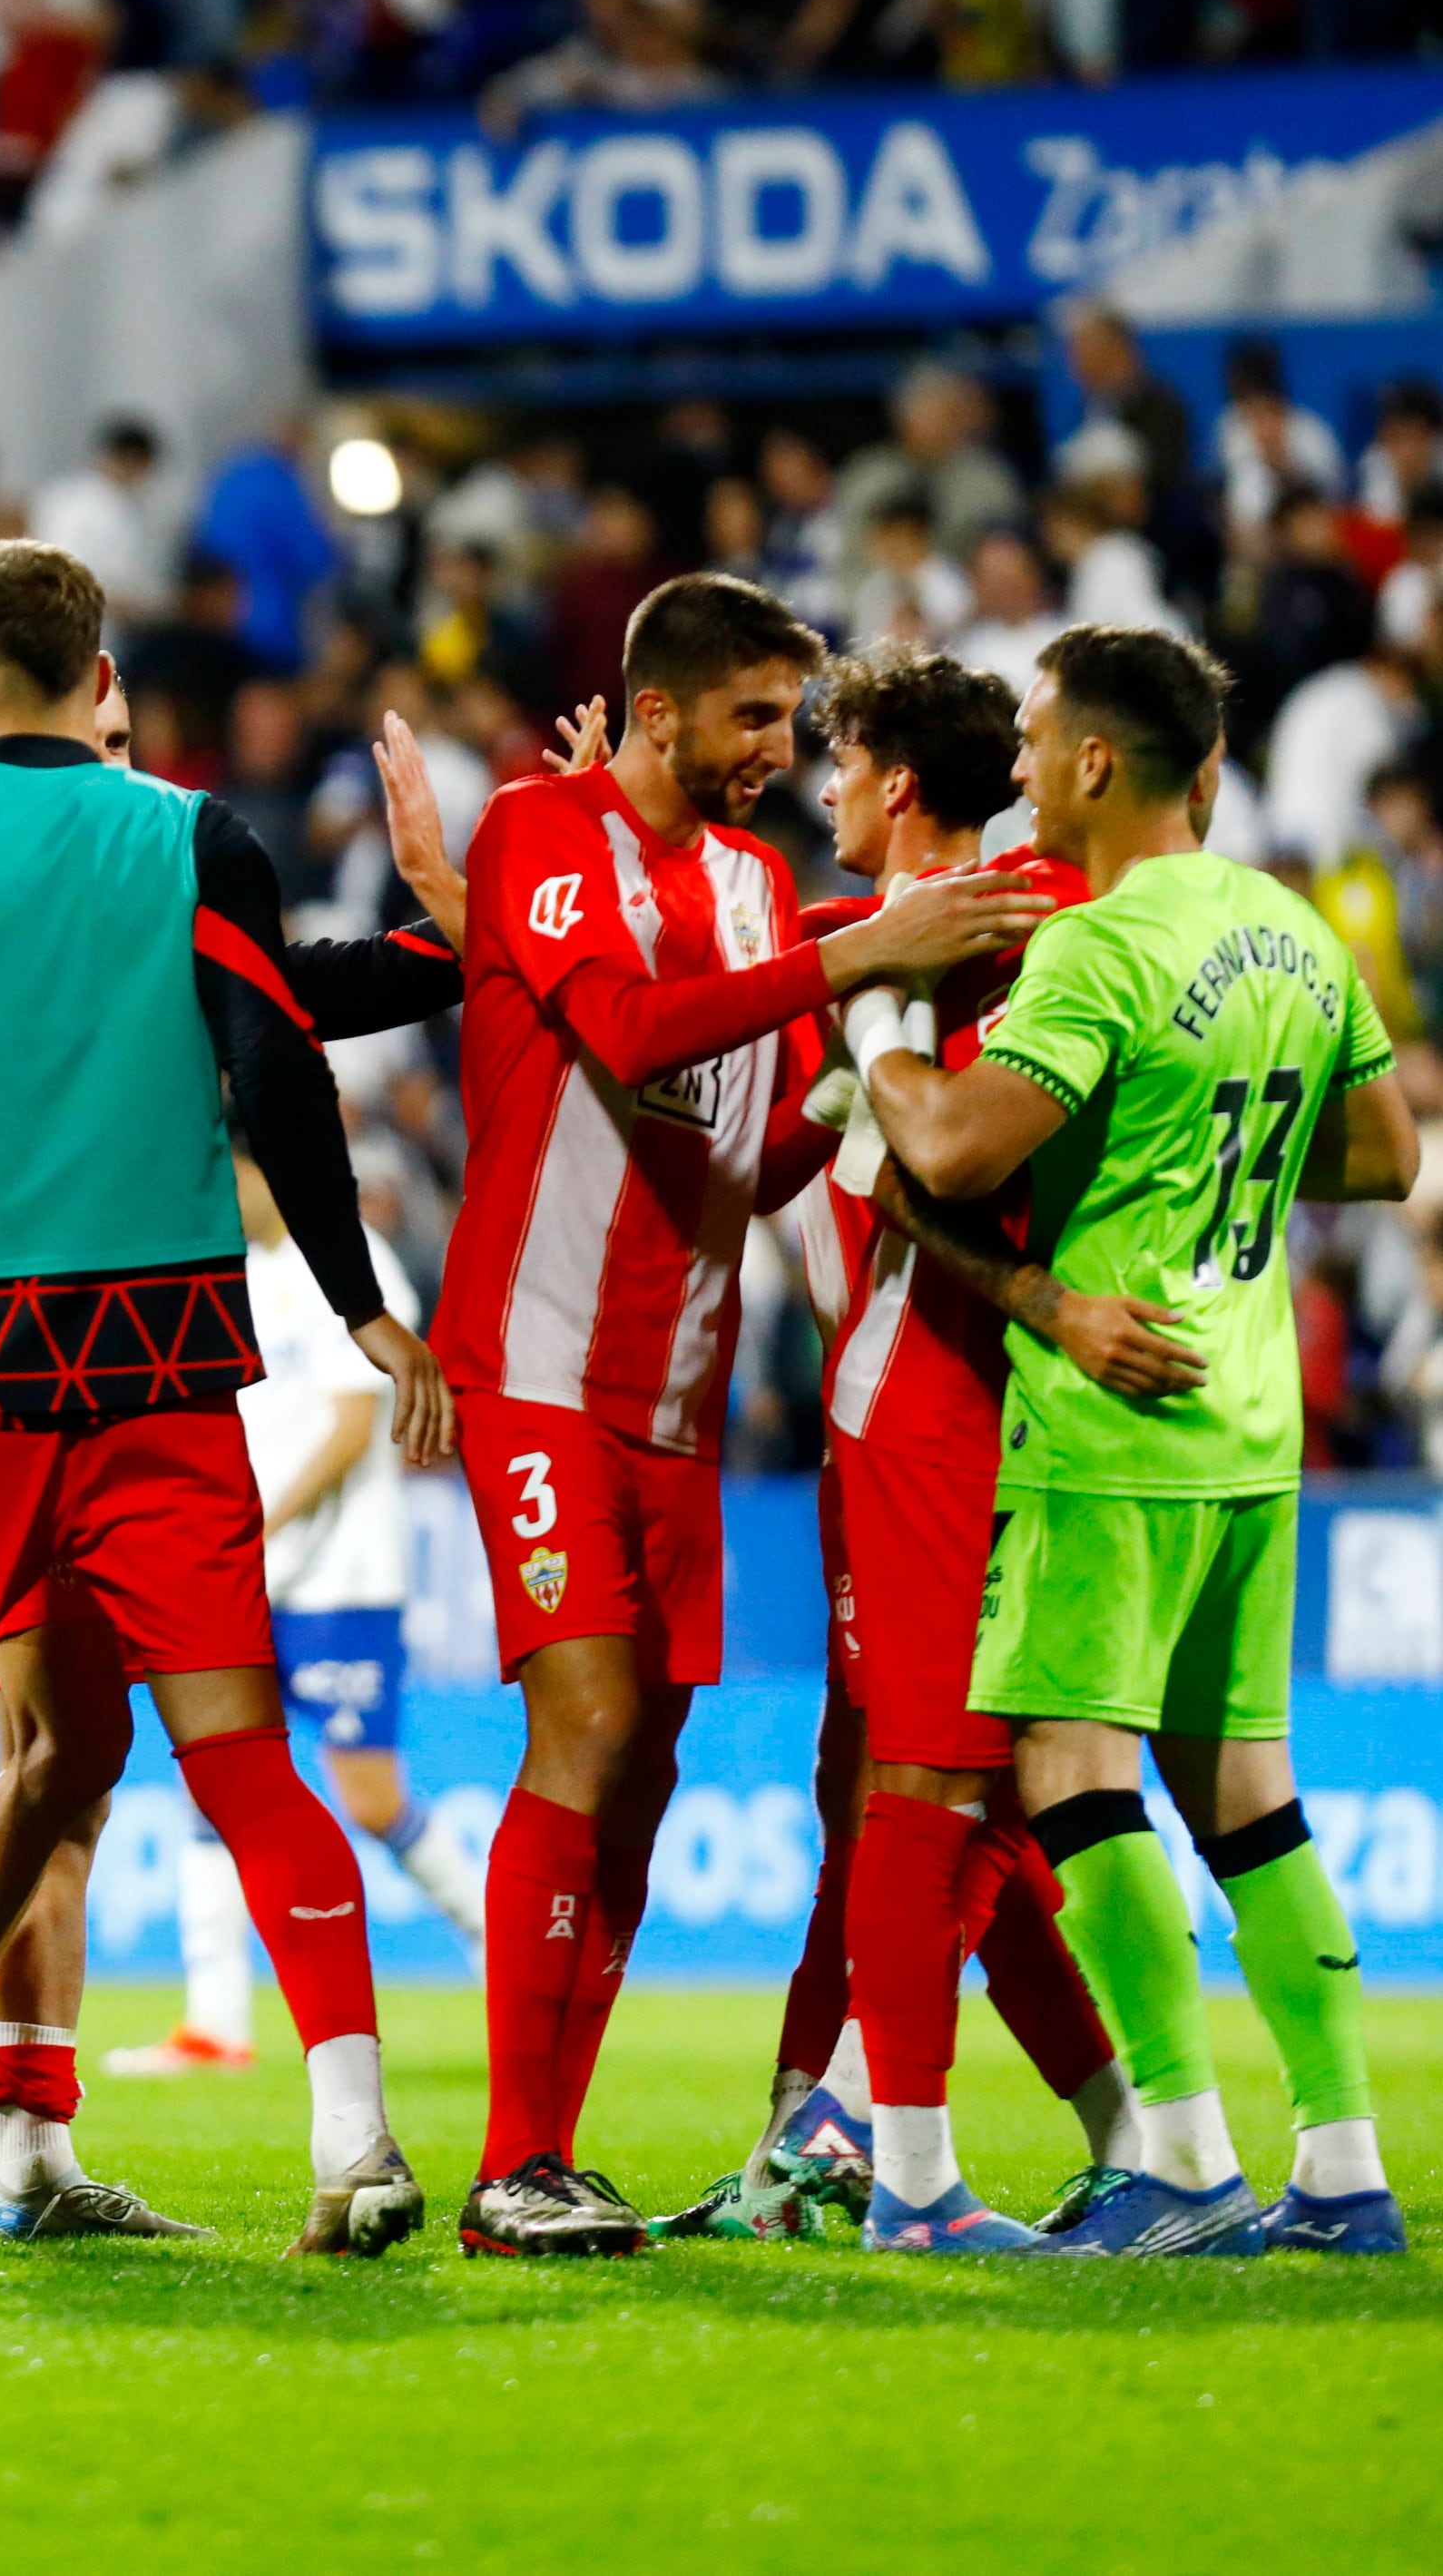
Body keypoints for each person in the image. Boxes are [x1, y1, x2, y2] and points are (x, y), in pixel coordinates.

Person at [0, 540, 449, 2265]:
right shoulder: (191, 836)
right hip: (155, 1363)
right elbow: (277, 1045)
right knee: (239, 1760)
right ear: (99, 668)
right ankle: (351, 2143)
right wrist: (360, 1303)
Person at [433, 575, 1046, 2254]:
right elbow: (624, 1024)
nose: (782, 751)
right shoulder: (540, 828)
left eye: (795, 721)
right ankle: (508, 2162)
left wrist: (865, 1101)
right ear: (658, 714)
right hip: (542, 1364)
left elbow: (749, 1148)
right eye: (757, 717)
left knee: (647, 1767)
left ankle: (549, 2154)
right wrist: (861, 955)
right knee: (593, 1725)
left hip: (681, 1398)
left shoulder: (759, 879)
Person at [857, 628, 1418, 2258]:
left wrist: (882, 1016)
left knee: (1067, 1769)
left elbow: (953, 1149)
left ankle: (1175, 2148)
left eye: (1033, 740)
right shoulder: (1295, 929)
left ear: (1097, 763)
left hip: (1115, 1416)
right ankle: (1340, 2165)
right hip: (1255, 1415)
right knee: (1250, 1792)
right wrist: (1205, 1190)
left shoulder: (1104, 947)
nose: (1019, 765)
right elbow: (1381, 1156)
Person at [653, 646, 1134, 2248]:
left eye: (838, 760)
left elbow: (895, 1147)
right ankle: (882, 2131)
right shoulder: (895, 937)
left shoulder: (1008, 915)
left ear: (898, 781)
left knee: (932, 1791)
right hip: (915, 1402)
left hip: (951, 1394)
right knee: (908, 1789)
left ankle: (863, 2127)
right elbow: (776, 1038)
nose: (820, 785)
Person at [107, 1151, 480, 2081]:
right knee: (210, 1781)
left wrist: (253, 1524)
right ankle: (213, 2023)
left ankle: (495, 1943)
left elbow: (355, 1426)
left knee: (367, 1794)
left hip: (341, 1577)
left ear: (268, 1170)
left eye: (230, 1173)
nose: (221, 1193)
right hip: (252, 1578)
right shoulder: (243, 1272)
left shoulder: (348, 1264)